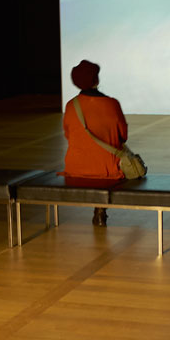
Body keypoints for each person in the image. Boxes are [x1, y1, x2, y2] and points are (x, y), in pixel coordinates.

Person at [61, 59, 128, 226]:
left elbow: (68, 135)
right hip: (108, 170)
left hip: (75, 168)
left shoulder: (71, 105)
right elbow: (123, 136)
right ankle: (100, 210)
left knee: (92, 159)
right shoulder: (112, 104)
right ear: (96, 80)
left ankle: (99, 210)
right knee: (104, 163)